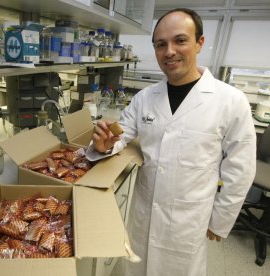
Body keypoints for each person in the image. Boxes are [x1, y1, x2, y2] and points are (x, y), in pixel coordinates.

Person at [87, 8, 256, 276]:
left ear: (199, 43)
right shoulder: (145, 98)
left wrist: (221, 220)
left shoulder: (231, 102)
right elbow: (122, 134)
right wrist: (105, 145)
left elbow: (240, 169)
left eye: (180, 40)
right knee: (138, 267)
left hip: (188, 221)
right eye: (160, 44)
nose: (169, 51)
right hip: (145, 214)